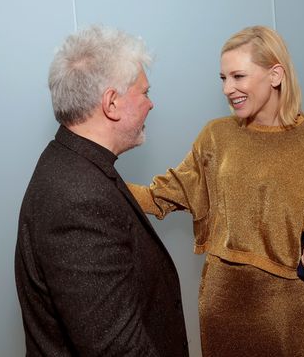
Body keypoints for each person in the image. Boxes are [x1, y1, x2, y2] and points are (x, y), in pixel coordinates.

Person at [128, 26, 304, 357]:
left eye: (238, 76)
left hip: (286, 310)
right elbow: (159, 195)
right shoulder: (216, 135)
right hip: (220, 304)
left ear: (275, 75)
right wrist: (95, 176)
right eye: (222, 78)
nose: (227, 89)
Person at [15, 25, 189, 356]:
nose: (151, 105)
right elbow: (116, 349)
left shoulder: (74, 164)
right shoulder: (77, 199)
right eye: (144, 93)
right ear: (111, 102)